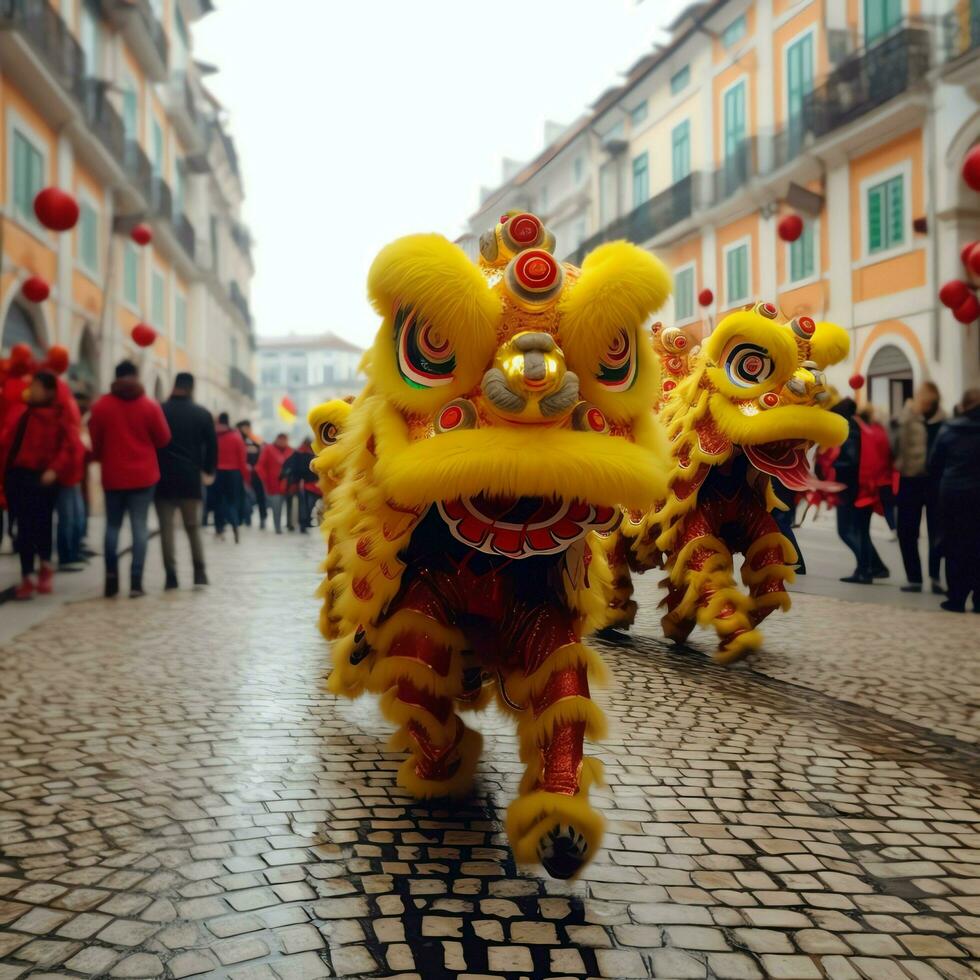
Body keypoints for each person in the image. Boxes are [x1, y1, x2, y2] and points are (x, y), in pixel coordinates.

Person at [89, 360, 171, 598]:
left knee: (112, 526)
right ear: (136, 376)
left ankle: (111, 579)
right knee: (139, 528)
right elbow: (164, 438)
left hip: (113, 475)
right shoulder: (149, 406)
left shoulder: (101, 406)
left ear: (115, 377)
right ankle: (136, 582)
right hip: (144, 477)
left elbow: (95, 443)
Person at [0, 372, 82, 599]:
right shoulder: (22, 411)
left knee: (42, 525)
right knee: (22, 529)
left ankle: (45, 567)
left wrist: (54, 469)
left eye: (36, 386)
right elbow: (7, 443)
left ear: (49, 391)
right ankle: (27, 576)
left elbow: (69, 447)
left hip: (43, 479)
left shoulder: (59, 416)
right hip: (18, 477)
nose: (32, 389)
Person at [156, 373, 217, 590]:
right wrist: (208, 471)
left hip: (162, 478)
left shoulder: (160, 410)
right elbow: (212, 446)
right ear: (192, 388)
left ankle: (170, 576)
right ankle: (199, 573)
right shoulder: (202, 414)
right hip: (191, 479)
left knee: (166, 530)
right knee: (193, 528)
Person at [892, 381, 946, 594]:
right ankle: (914, 577)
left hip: (936, 482)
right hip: (909, 479)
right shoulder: (906, 420)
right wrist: (906, 415)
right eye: (923, 401)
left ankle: (935, 575)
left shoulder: (943, 422)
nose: (925, 406)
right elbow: (894, 444)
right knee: (906, 530)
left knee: (938, 531)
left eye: (929, 402)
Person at [930, 388, 980, 613]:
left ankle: (956, 598)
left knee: (954, 545)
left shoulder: (949, 428)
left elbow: (934, 464)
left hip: (953, 495)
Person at [831, 398, 888, 584]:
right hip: (866, 486)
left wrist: (832, 466)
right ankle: (874, 567)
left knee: (845, 530)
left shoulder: (850, 430)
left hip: (850, 487)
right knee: (862, 531)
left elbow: (850, 461)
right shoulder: (863, 427)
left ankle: (866, 569)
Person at [214, 412, 250, 542]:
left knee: (218, 502)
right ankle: (234, 524)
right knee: (231, 502)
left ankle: (219, 529)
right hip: (234, 473)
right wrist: (245, 477)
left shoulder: (214, 435)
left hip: (217, 472)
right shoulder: (236, 437)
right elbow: (242, 459)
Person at [255, 433, 292, 533]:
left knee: (290, 507)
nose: (282, 442)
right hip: (273, 484)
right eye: (280, 439)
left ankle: (290, 525)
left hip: (289, 486)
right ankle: (277, 527)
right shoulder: (268, 449)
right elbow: (260, 466)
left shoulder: (291, 451)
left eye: (284, 440)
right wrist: (265, 479)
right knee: (277, 507)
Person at [282, 437, 318, 533]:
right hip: (303, 483)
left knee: (307, 505)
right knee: (305, 505)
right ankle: (303, 523)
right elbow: (294, 467)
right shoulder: (300, 453)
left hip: (309, 483)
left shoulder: (311, 453)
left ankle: (304, 522)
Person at [236, 420, 265, 528]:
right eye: (243, 428)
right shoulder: (238, 441)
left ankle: (263, 518)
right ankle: (244, 518)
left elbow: (262, 455)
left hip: (256, 474)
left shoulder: (256, 441)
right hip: (241, 474)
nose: (246, 430)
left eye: (247, 428)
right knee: (243, 497)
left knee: (260, 496)